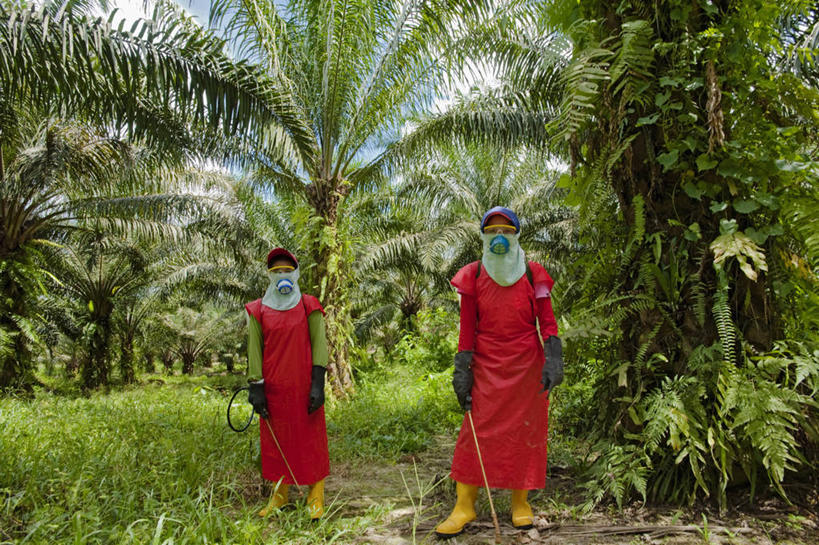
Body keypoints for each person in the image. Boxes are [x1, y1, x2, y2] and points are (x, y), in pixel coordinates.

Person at [435, 206, 564, 538]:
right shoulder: (473, 275)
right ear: (483, 236)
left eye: (506, 231)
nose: (499, 237)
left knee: (524, 433)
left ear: (516, 234)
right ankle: (465, 505)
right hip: (486, 364)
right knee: (474, 432)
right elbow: (467, 330)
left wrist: (554, 359)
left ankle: (520, 503)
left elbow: (547, 323)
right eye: (492, 231)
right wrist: (462, 370)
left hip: (526, 366)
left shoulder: (533, 273)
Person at [245, 248, 330, 519]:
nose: (282, 275)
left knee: (310, 441)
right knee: (275, 442)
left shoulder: (309, 304)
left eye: (287, 271)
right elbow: (254, 349)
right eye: (276, 272)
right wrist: (255, 387)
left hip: (305, 386)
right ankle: (279, 496)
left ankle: (315, 496)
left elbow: (319, 344)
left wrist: (318, 382)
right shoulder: (258, 310)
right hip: (274, 389)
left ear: (296, 274)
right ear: (269, 276)